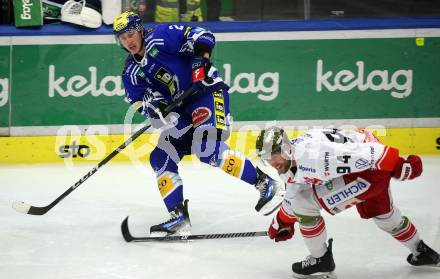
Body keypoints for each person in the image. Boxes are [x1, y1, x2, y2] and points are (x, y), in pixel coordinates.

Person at [112, 11, 284, 237]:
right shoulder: (130, 72)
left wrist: (200, 59)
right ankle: (178, 216)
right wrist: (155, 108)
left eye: (131, 34)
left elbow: (203, 34)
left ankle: (265, 184)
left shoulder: (161, 37)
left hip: (206, 92)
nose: (128, 41)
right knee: (160, 157)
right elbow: (140, 101)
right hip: (180, 111)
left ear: (140, 30)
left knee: (207, 149)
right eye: (122, 38)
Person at [256, 127, 440, 278]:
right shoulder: (291, 160)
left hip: (371, 169)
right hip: (363, 165)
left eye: (274, 155)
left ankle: (320, 259)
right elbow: (293, 193)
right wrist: (281, 222)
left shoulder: (318, 157)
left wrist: (400, 166)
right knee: (383, 215)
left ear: (286, 148)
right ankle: (421, 250)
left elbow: (375, 153)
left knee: (305, 203)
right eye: (267, 159)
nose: (272, 163)